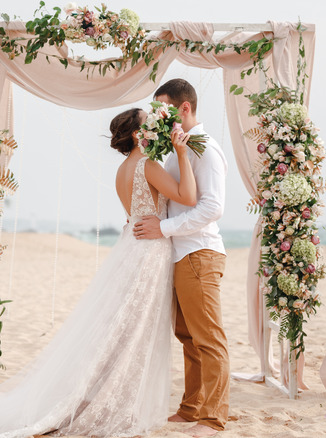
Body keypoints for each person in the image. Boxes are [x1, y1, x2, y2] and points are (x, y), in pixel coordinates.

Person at [0, 108, 197, 438]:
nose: (156, 126)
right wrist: (183, 154)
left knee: (122, 328)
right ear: (136, 134)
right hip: (149, 252)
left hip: (131, 246)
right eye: (149, 122)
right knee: (135, 332)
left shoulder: (122, 169)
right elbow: (188, 196)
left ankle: (99, 394)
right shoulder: (148, 165)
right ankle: (110, 403)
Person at [133, 78, 229, 438]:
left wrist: (166, 227)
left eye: (163, 108)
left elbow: (213, 208)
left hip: (199, 252)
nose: (158, 115)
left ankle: (214, 417)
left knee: (209, 338)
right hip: (179, 253)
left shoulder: (207, 149)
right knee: (187, 336)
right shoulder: (178, 149)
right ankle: (191, 408)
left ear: (184, 108)